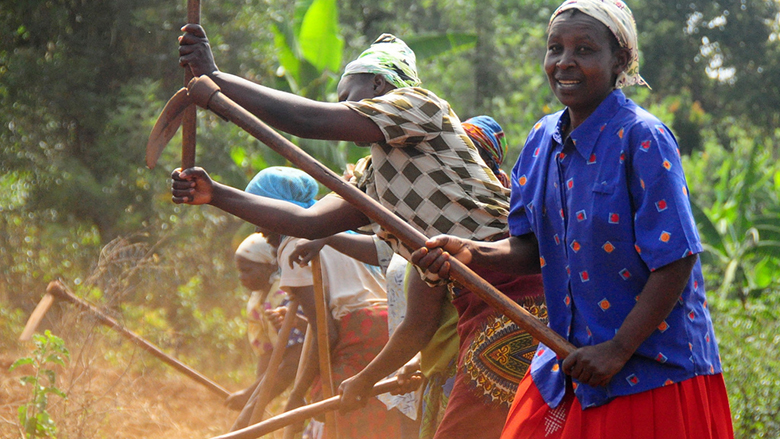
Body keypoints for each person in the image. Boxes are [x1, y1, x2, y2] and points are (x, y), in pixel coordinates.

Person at [173, 31, 544, 439]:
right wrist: (215, 194)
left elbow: (309, 120)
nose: (340, 110)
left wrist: (215, 79)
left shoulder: (420, 106)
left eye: (347, 97)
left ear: (379, 86)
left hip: (518, 284)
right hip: (475, 305)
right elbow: (309, 222)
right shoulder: (376, 178)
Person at [411, 2, 734, 438]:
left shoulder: (644, 138)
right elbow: (529, 247)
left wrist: (617, 350)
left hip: (649, 369)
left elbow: (676, 259)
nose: (565, 62)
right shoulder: (542, 139)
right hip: (565, 364)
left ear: (619, 60)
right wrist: (470, 252)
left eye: (584, 49)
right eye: (555, 48)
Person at [288, 115, 520, 439]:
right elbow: (388, 255)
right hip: (440, 369)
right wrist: (328, 236)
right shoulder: (432, 216)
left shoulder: (477, 224)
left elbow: (419, 325)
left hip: (468, 374)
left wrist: (364, 379)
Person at [245, 166, 402, 439]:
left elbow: (325, 332)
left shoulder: (293, 245)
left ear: (275, 211)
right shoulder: (338, 229)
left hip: (357, 338)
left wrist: (296, 396)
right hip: (391, 330)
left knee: (347, 423)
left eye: (259, 214)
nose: (257, 227)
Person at [226, 233, 306, 411]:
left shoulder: (287, 296)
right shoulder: (256, 303)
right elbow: (267, 353)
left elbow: (294, 360)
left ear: (270, 266)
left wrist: (250, 397)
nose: (241, 277)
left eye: (247, 270)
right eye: (239, 271)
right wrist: (255, 400)